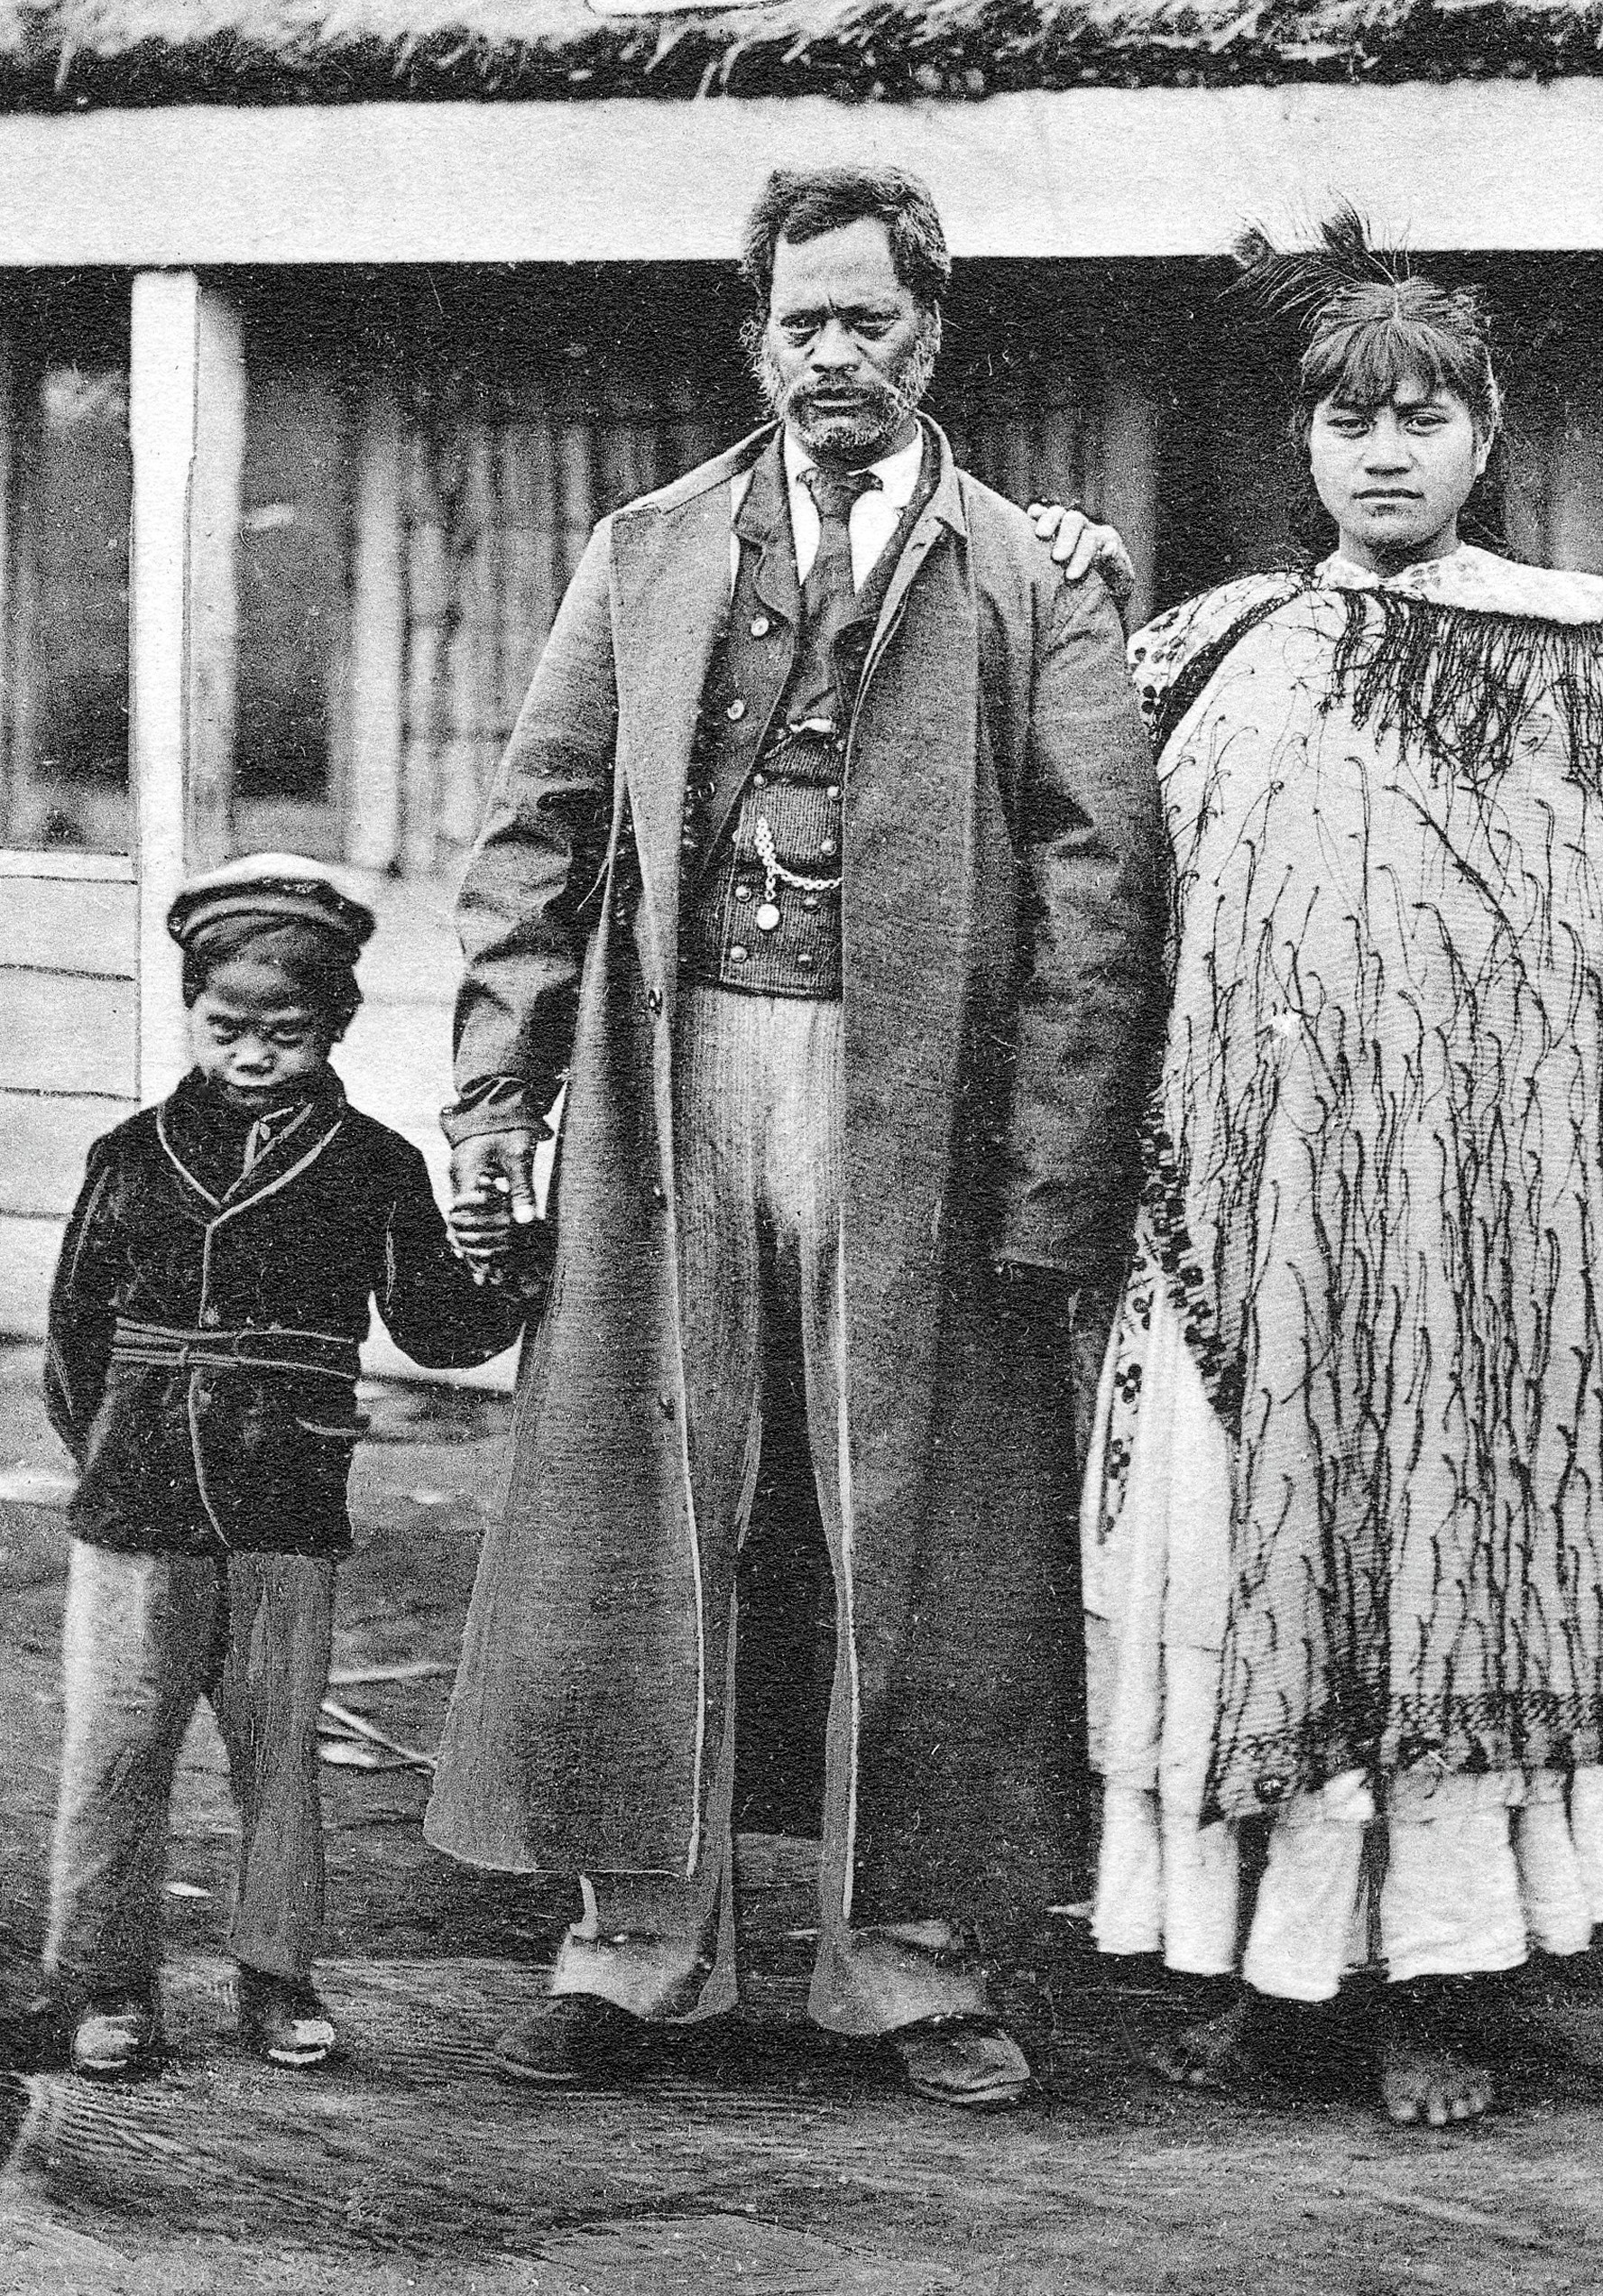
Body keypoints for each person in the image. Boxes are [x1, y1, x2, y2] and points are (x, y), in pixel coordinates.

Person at [424, 163, 1165, 2108]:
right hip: (675, 1086)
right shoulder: (648, 551)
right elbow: (534, 834)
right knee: (651, 1494)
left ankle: (906, 1958)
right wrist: (500, 1091)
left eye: (868, 318)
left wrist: (1054, 1173)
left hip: (919, 1108)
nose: (834, 352)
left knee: (913, 1514)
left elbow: (1098, 890)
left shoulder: (1033, 575)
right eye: (800, 318)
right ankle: (631, 1943)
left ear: (934, 332)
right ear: (756, 336)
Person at [1082, 215, 1603, 2127]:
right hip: (1240, 1202)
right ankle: (1273, 1979)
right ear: (1303, 439)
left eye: (1422, 418)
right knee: (1237, 1550)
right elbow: (1132, 888)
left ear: (1484, 434)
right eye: (1348, 420)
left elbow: (1602, 927)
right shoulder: (1214, 646)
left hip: (1469, 1219)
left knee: (1437, 1549)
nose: (1384, 452)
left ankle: (1437, 1985)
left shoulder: (1563, 645)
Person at [41, 854, 531, 2078]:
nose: (254, 1053)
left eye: (287, 1032)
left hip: (285, 1497)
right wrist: (114, 1450)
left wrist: (507, 1258)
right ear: (191, 1011)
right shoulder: (128, 1154)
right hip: (136, 1499)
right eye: (227, 1027)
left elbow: (441, 1331)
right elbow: (71, 1340)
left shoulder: (375, 1165)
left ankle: (276, 1978)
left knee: (278, 1759)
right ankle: (109, 1984)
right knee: (116, 1750)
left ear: (338, 1025)